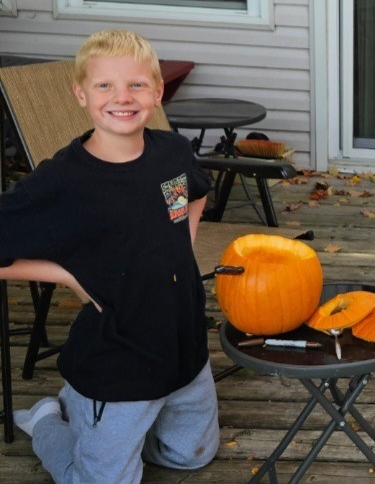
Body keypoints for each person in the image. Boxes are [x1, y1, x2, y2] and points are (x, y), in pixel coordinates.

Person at [0, 30, 219, 483]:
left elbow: (195, 193)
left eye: (136, 84)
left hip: (185, 350)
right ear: (81, 94)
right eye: (105, 85)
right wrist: (69, 276)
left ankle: (115, 435)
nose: (122, 97)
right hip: (119, 364)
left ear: (157, 92)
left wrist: (181, 243)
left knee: (192, 456)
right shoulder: (63, 182)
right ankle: (48, 421)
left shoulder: (173, 153)